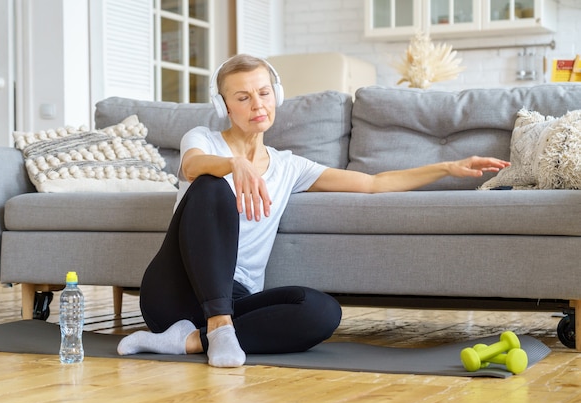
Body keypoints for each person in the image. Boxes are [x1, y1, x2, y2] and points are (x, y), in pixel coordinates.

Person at [117, 54, 510, 367]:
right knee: (211, 188)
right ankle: (218, 328)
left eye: (264, 92)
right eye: (243, 97)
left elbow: (374, 183)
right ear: (224, 106)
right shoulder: (202, 139)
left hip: (236, 297)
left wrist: (447, 168)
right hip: (173, 292)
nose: (257, 104)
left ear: (277, 96)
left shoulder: (290, 166)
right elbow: (191, 167)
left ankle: (187, 341)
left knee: (322, 312)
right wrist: (233, 165)